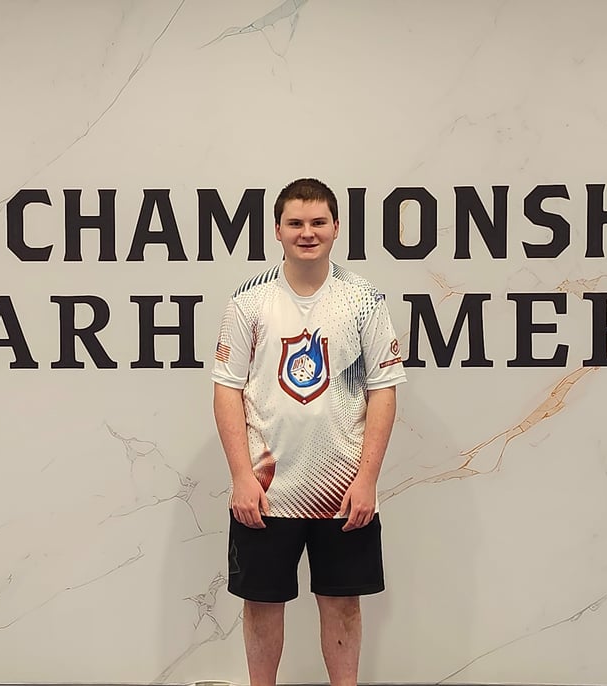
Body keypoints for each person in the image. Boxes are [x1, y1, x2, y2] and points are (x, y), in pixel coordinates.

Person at [211, 178, 406, 686]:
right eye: (295, 222)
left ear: (336, 227)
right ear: (277, 229)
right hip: (265, 489)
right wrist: (241, 477)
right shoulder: (248, 301)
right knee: (261, 605)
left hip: (343, 490)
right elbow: (226, 390)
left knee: (342, 604)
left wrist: (367, 480)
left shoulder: (363, 299)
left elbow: (383, 392)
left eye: (318, 222)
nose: (307, 232)